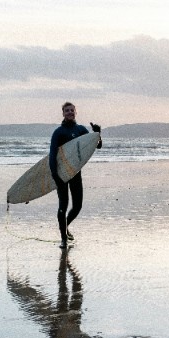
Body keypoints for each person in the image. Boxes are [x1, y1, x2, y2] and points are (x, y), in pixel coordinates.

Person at [49, 102, 102, 248]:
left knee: (77, 206)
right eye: (67, 111)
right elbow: (52, 155)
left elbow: (97, 146)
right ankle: (63, 240)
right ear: (63, 113)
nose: (70, 112)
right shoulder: (58, 132)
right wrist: (55, 176)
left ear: (75, 112)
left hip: (76, 173)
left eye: (72, 110)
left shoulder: (80, 130)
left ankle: (65, 227)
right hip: (61, 175)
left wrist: (98, 133)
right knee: (63, 205)